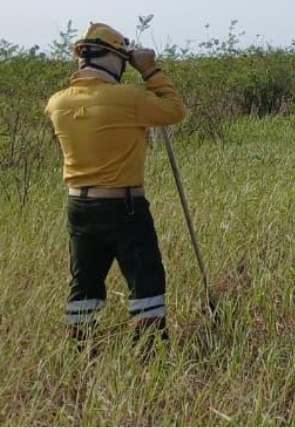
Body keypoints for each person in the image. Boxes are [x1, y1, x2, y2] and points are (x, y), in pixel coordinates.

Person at [44, 22, 187, 344]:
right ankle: (150, 350)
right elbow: (175, 110)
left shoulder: (57, 103)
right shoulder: (128, 98)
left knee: (85, 281)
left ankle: (81, 346)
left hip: (78, 205)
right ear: (114, 58)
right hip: (124, 205)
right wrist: (150, 70)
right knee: (145, 276)